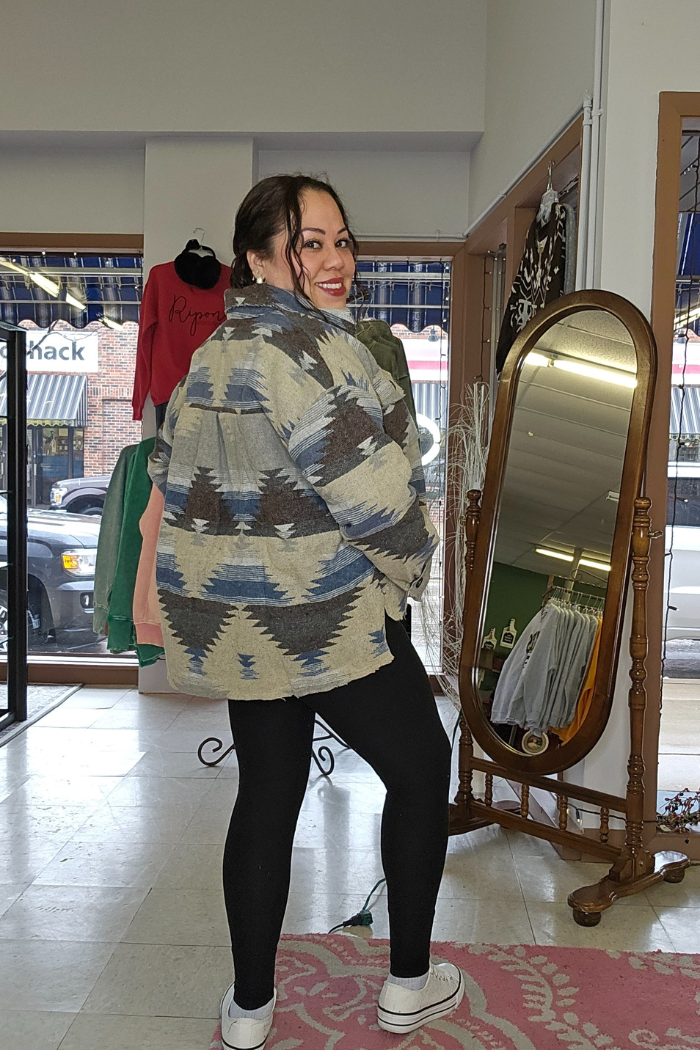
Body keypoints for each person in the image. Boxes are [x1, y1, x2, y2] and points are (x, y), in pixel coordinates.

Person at [148, 174, 462, 1050]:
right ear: (256, 258)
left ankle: (250, 1010)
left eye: (341, 239)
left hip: (245, 630)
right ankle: (407, 985)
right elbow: (381, 506)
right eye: (308, 242)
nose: (335, 260)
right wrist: (411, 570)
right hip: (329, 620)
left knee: (269, 795)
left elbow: (174, 475)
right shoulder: (314, 354)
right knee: (422, 767)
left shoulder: (212, 355)